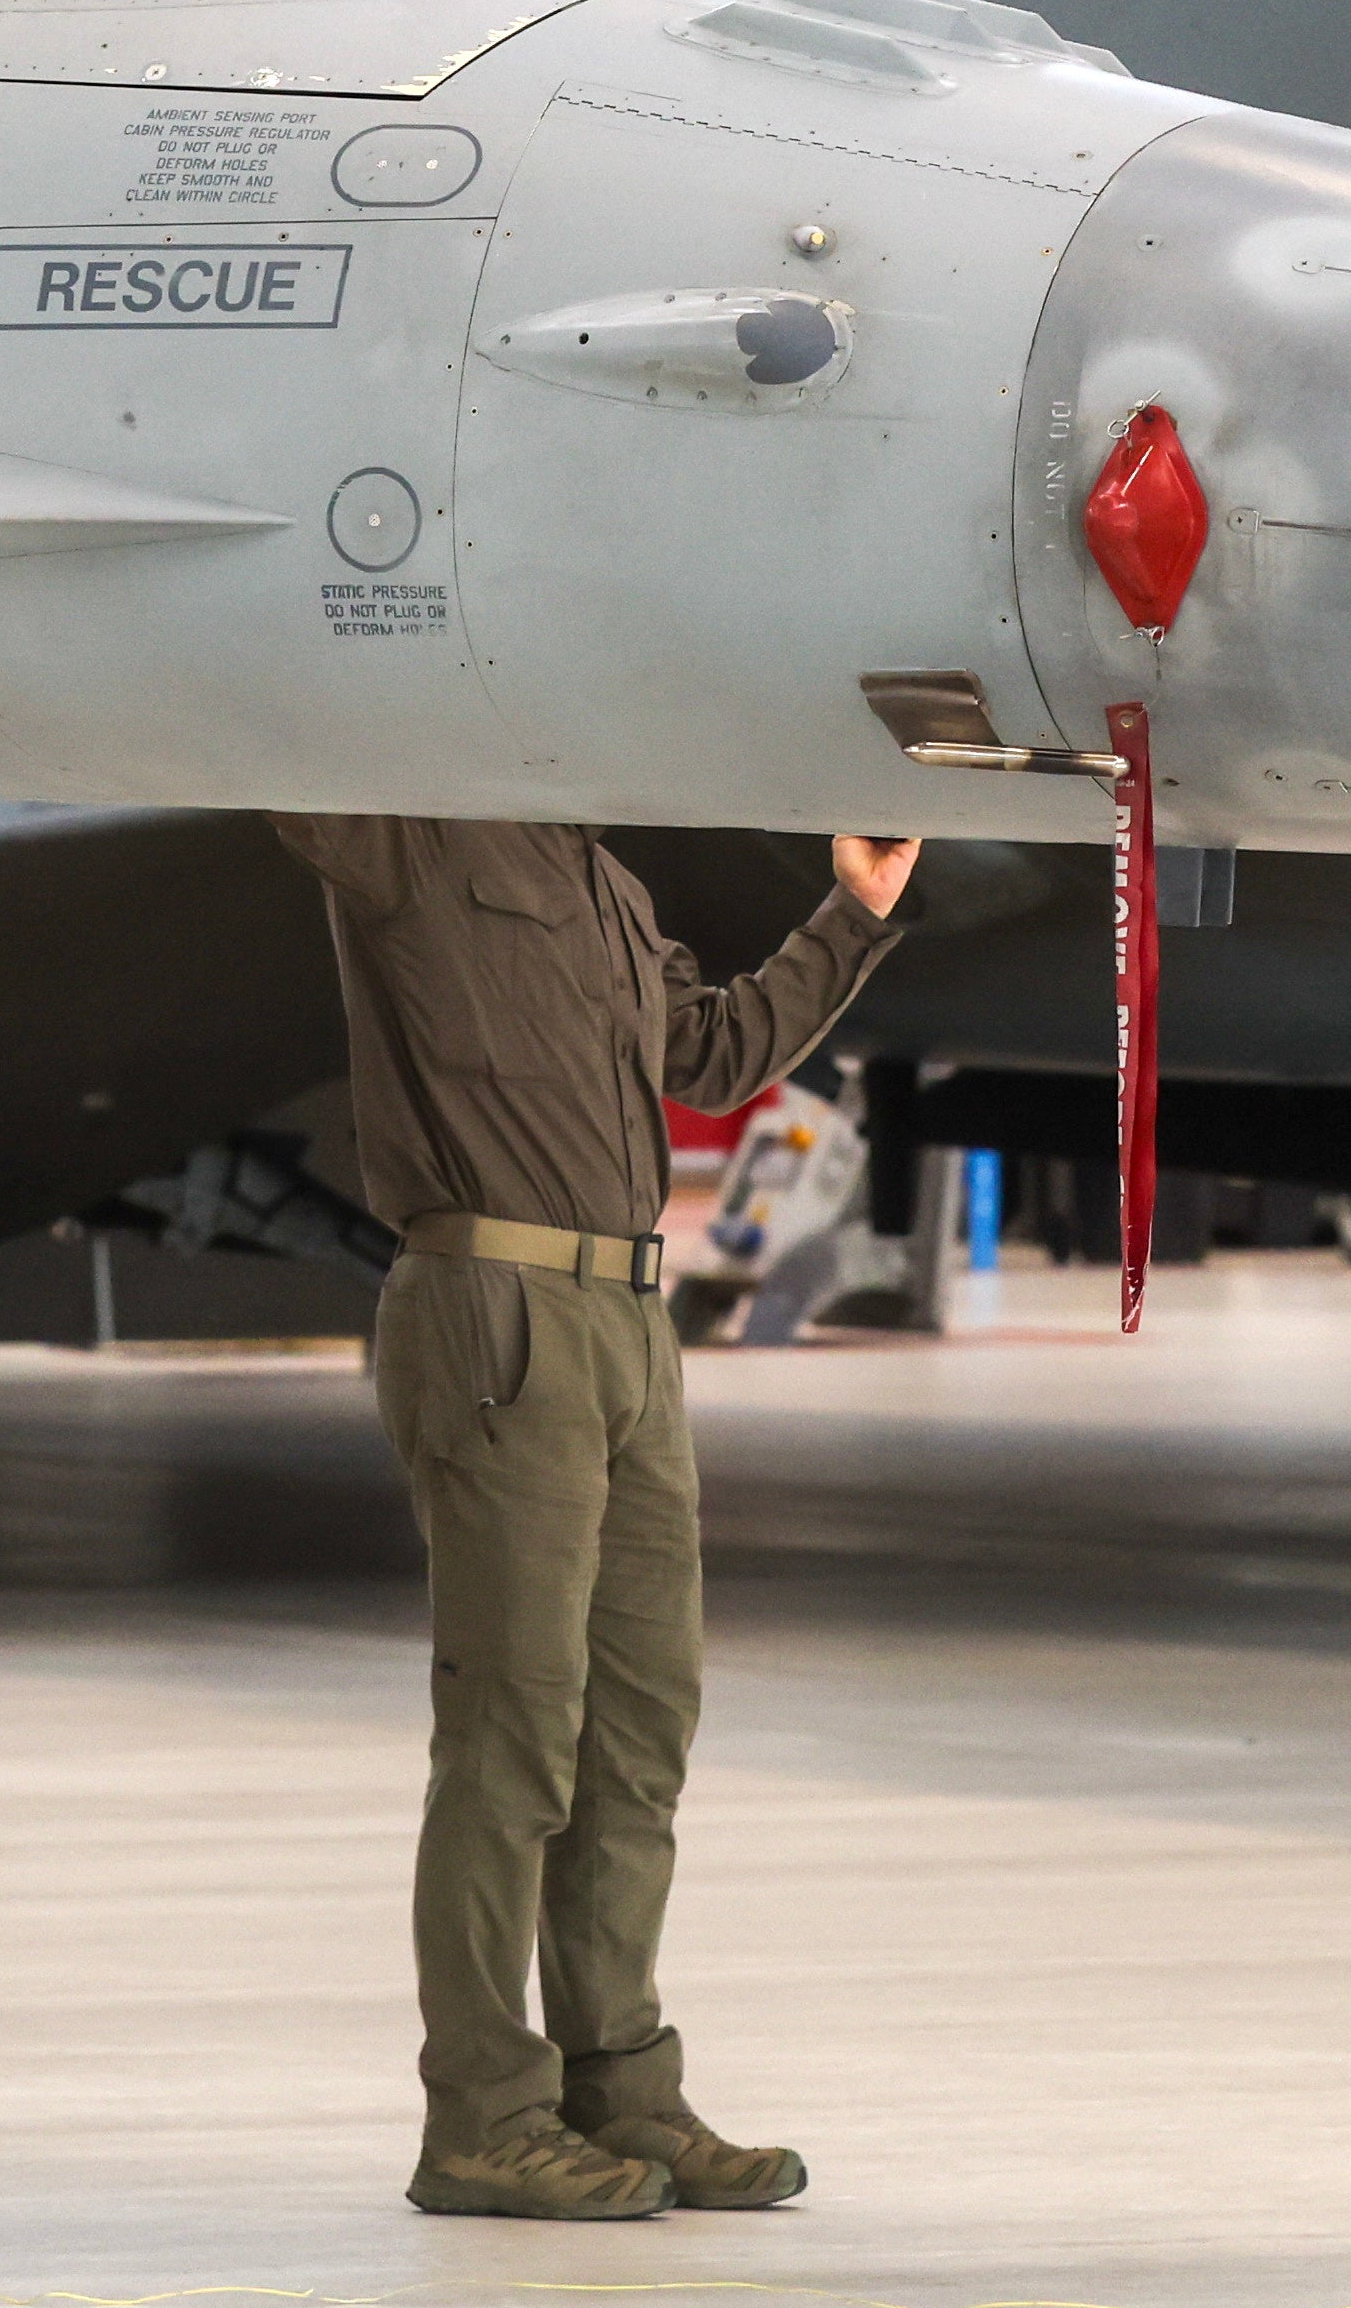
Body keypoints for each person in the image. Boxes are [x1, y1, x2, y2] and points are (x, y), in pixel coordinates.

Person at [269, 813, 920, 2221]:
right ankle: (484, 2119)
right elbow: (268, 751)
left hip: (628, 1319)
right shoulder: (409, 832)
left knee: (639, 1722)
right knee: (515, 1725)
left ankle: (619, 2085)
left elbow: (714, 1052)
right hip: (495, 1307)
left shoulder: (600, 874)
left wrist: (851, 914)